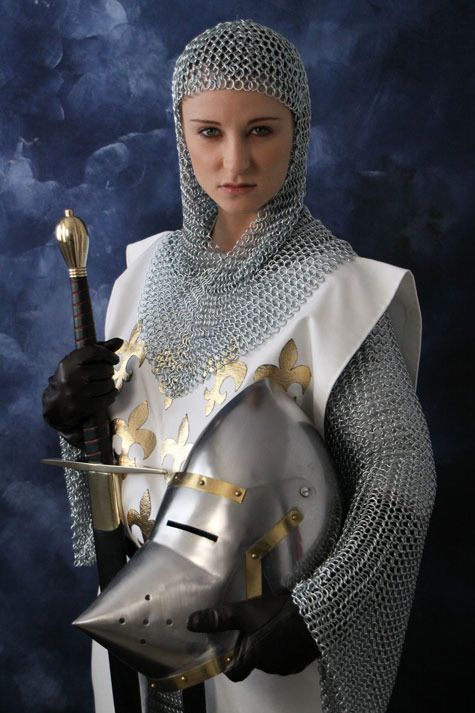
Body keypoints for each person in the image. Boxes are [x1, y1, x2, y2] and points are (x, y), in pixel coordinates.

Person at [42, 19, 436, 713]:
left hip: (257, 651)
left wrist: (314, 615)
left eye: (260, 131)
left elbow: (398, 477)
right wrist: (76, 423)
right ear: (181, 133)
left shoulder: (340, 295)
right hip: (129, 629)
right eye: (209, 132)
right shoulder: (142, 277)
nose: (234, 162)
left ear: (298, 131)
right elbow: (131, 455)